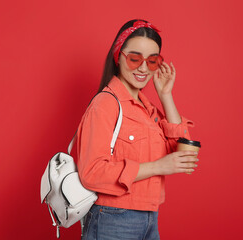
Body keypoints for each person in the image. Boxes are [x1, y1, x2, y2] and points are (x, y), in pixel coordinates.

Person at [76, 19, 198, 240]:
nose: (143, 68)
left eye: (152, 61)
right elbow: (91, 173)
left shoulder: (147, 109)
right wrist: (158, 166)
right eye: (134, 59)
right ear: (118, 56)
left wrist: (165, 96)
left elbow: (184, 153)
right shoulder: (106, 104)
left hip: (149, 219)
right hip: (113, 219)